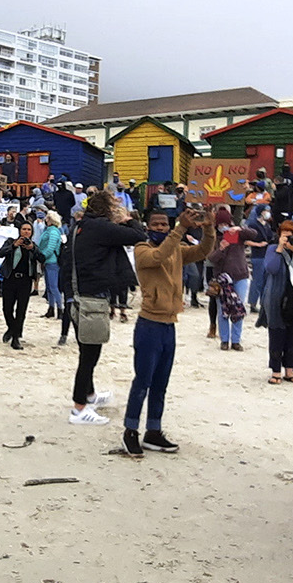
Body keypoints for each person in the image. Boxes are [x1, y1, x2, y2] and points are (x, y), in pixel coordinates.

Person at [119, 207, 215, 455]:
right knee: (143, 381)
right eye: (157, 224)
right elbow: (158, 257)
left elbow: (204, 250)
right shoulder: (142, 249)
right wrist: (180, 228)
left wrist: (208, 227)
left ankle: (153, 431)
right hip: (148, 324)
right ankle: (130, 430)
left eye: (164, 224)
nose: (161, 228)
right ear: (148, 226)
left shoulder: (176, 250)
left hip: (169, 324)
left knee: (161, 382)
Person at [64, 190, 144, 424]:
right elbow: (138, 236)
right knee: (90, 354)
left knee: (86, 350)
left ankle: (88, 395)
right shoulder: (100, 228)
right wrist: (128, 219)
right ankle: (79, 408)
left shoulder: (82, 226)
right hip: (92, 296)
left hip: (80, 294)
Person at [261, 220, 293, 384]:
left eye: (290, 237)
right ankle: (276, 371)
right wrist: (279, 249)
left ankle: (290, 371)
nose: (288, 240)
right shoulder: (272, 249)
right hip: (276, 297)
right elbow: (271, 269)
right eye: (285, 236)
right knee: (277, 333)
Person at [208, 209, 251, 351]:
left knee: (238, 308)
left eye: (226, 223)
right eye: (221, 224)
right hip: (223, 278)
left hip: (240, 275)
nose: (224, 227)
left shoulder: (238, 235)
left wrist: (240, 229)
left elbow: (254, 234)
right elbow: (211, 259)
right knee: (223, 310)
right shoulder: (213, 237)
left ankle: (236, 340)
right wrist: (220, 249)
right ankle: (224, 340)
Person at [0, 220, 43, 349]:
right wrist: (14, 245)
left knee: (21, 310)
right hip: (10, 279)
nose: (26, 232)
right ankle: (11, 328)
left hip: (25, 281)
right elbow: (0, 253)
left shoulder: (32, 245)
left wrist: (32, 249)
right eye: (24, 229)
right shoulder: (10, 241)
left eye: (29, 230)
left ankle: (16, 337)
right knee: (7, 308)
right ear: (19, 231)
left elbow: (42, 258)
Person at [241, 204, 273, 313]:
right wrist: (258, 244)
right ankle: (253, 303)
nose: (267, 213)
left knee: (265, 281)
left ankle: (263, 303)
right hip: (258, 255)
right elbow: (245, 240)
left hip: (266, 255)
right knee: (257, 281)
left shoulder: (267, 225)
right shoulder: (253, 224)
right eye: (265, 210)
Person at [36, 210, 63, 319]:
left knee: (53, 286)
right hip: (48, 260)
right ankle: (51, 308)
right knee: (49, 287)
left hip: (52, 260)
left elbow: (50, 247)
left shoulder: (53, 232)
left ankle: (60, 308)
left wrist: (42, 256)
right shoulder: (51, 230)